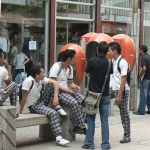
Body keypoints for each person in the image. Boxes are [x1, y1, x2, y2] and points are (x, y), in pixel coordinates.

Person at [17, 65, 70, 146]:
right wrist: (20, 112)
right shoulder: (28, 81)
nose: (44, 74)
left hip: (41, 101)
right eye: (42, 73)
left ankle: (57, 106)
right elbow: (23, 98)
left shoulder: (40, 79)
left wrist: (56, 98)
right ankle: (59, 138)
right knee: (53, 113)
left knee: (52, 85)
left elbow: (55, 82)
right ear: (37, 75)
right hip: (33, 106)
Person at [82, 42, 112, 150]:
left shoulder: (91, 61)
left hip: (92, 95)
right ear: (107, 51)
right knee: (105, 120)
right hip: (105, 95)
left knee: (90, 119)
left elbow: (87, 74)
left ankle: (89, 144)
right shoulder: (109, 63)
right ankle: (105, 145)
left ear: (97, 50)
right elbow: (109, 75)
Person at [49, 49, 86, 135]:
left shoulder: (70, 68)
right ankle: (81, 126)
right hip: (57, 91)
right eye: (74, 58)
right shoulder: (56, 66)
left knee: (84, 101)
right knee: (74, 103)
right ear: (69, 58)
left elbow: (70, 83)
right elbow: (53, 83)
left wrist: (75, 86)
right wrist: (69, 91)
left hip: (66, 91)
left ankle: (80, 123)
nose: (75, 60)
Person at [109, 42, 131, 143]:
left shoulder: (123, 62)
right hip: (113, 89)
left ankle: (127, 135)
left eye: (110, 50)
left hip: (121, 91)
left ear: (115, 51)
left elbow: (124, 79)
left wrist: (119, 95)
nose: (109, 52)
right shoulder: (113, 60)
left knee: (123, 113)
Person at [134, 45, 150, 115]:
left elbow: (144, 68)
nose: (138, 51)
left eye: (139, 50)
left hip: (145, 79)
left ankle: (141, 110)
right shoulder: (149, 57)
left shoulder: (143, 57)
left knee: (143, 95)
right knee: (149, 95)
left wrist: (139, 76)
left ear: (142, 51)